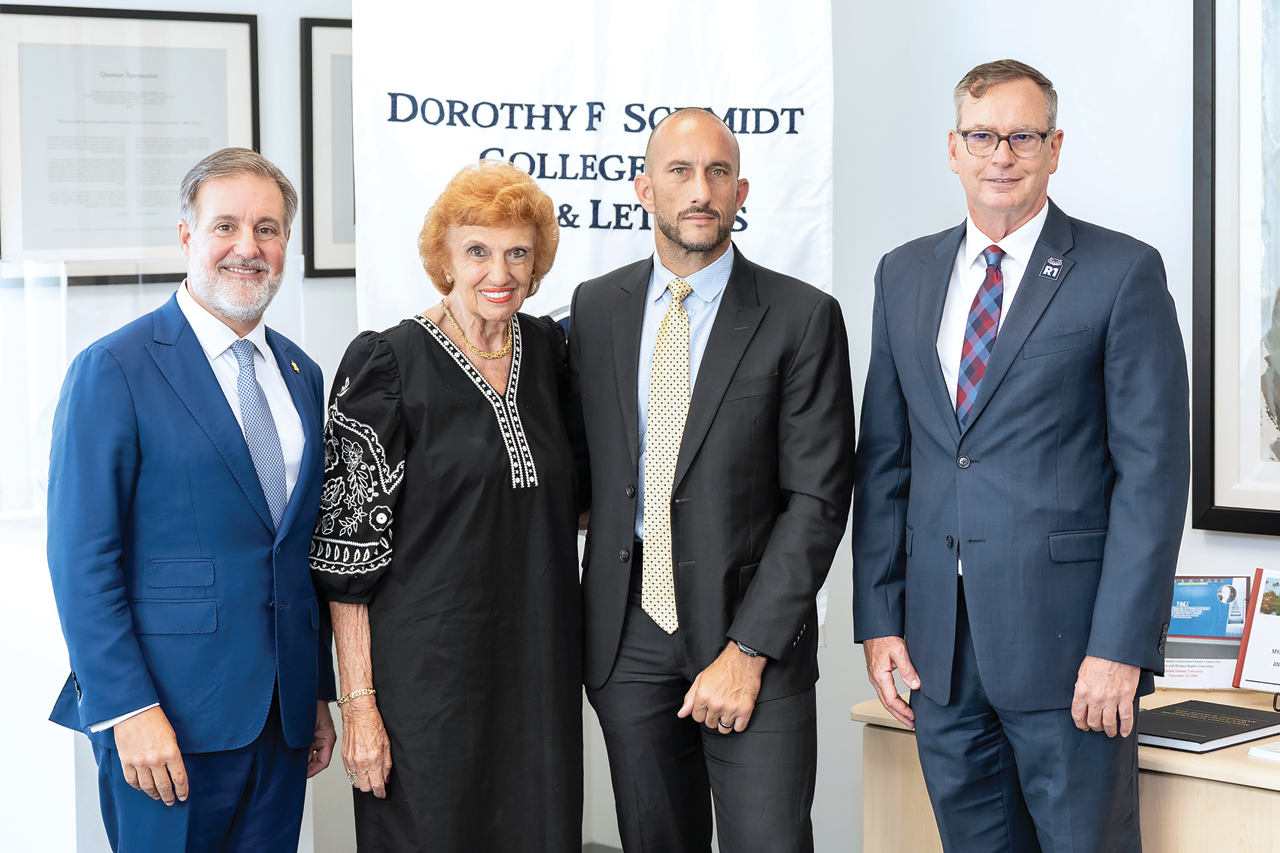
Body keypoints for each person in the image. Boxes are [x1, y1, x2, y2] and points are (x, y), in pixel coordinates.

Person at [852, 59, 1189, 852]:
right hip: (939, 650)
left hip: (1070, 651)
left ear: (1055, 146)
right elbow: (885, 459)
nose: (1001, 153)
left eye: (1023, 135)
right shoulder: (903, 273)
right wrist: (879, 615)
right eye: (983, 135)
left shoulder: (1120, 271)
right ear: (953, 148)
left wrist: (1120, 647)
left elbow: (1152, 475)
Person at [565, 108, 855, 852]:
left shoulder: (801, 316)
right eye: (681, 171)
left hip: (749, 637)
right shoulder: (595, 308)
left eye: (718, 172)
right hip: (626, 643)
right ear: (643, 188)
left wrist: (747, 651)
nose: (701, 189)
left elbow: (818, 500)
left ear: (741, 189)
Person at [47, 147, 337, 852]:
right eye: (226, 226)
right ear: (187, 235)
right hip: (165, 720)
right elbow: (82, 558)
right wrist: (126, 708)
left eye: (268, 229)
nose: (249, 247)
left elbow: (297, 548)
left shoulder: (302, 371)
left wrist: (316, 690)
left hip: (279, 718)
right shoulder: (113, 368)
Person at [310, 161, 582, 851]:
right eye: (479, 250)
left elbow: (577, 501)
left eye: (518, 250)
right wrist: (361, 704)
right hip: (425, 687)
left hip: (537, 673)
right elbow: (346, 559)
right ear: (446, 258)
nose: (501, 270)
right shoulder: (386, 365)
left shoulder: (550, 351)